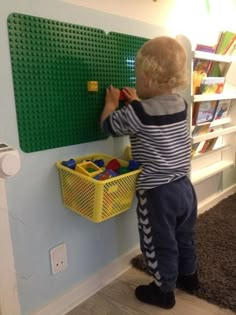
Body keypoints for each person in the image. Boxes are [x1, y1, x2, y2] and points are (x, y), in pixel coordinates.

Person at [100, 36, 199, 309]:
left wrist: (111, 103)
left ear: (145, 77)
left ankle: (164, 291)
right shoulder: (181, 104)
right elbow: (157, 120)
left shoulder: (137, 113)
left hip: (158, 193)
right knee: (184, 234)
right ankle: (189, 277)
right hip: (184, 187)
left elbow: (109, 127)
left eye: (137, 76)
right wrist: (135, 102)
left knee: (158, 241)